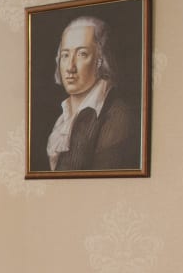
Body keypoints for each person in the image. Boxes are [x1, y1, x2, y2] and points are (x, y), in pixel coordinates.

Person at [42, 15, 140, 172]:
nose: (70, 67)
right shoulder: (62, 119)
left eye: (82, 54)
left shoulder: (118, 115)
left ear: (100, 60)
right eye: (65, 55)